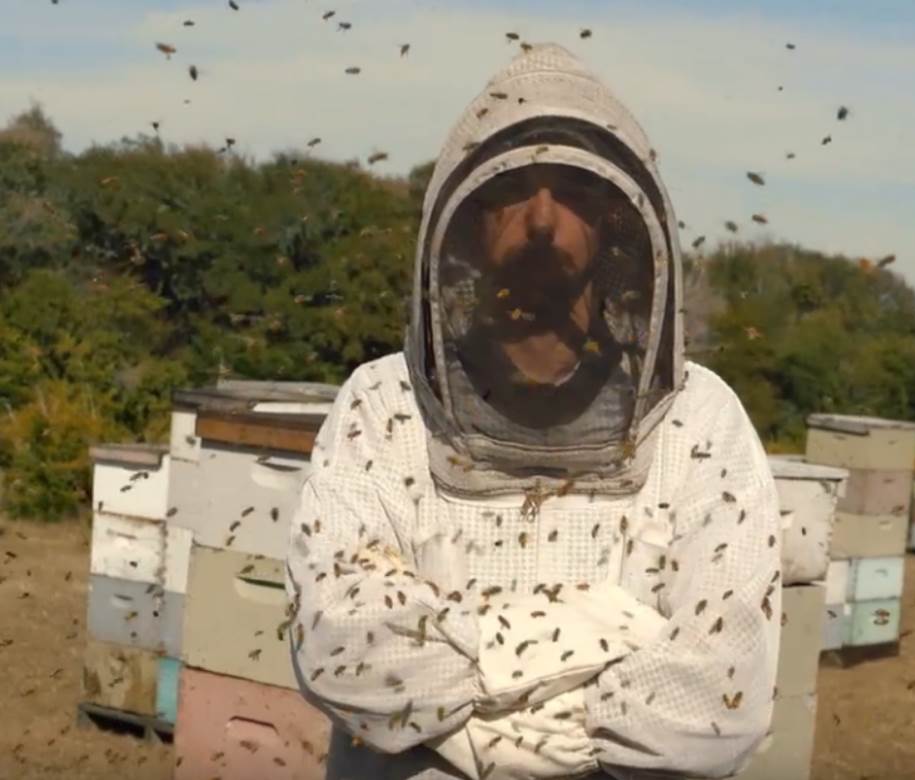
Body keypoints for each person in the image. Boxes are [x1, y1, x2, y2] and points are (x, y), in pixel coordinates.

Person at [287, 42, 781, 780]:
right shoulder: (381, 406)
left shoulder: (699, 422)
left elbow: (718, 700)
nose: (544, 220)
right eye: (515, 189)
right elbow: (343, 648)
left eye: (574, 191)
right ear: (468, 220)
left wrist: (460, 697)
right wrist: (607, 636)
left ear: (616, 219)